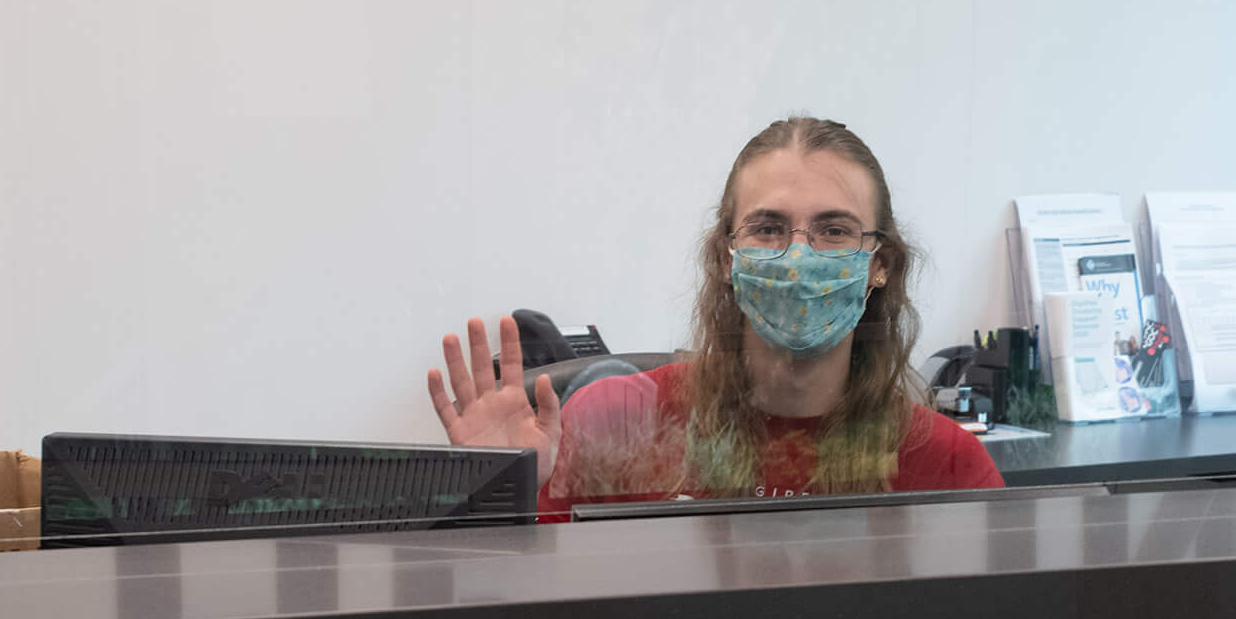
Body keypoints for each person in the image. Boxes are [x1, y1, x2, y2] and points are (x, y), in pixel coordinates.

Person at [426, 116, 1003, 511]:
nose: (797, 257)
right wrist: (497, 495)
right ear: (727, 257)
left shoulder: (951, 465)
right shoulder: (612, 425)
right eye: (768, 228)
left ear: (880, 263)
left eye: (834, 230)